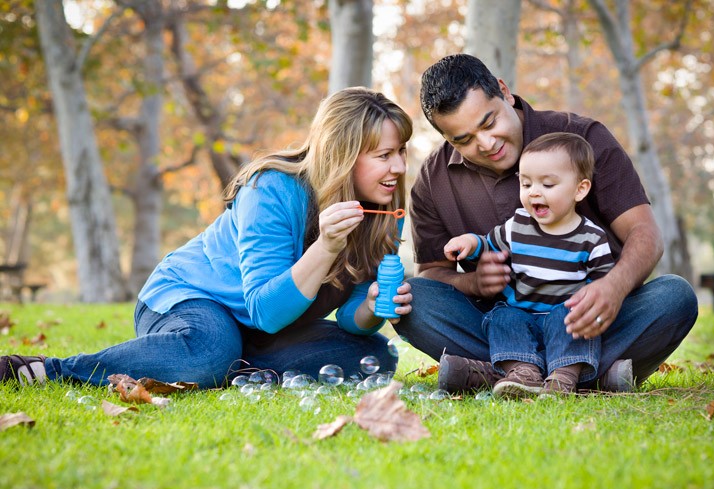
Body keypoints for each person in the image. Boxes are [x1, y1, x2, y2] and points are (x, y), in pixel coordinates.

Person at [1, 87, 414, 388]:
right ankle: (50, 370)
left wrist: (373, 308)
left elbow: (352, 316)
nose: (397, 167)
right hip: (189, 299)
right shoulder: (272, 189)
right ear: (342, 154)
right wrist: (325, 247)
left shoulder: (383, 213)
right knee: (210, 350)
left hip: (258, 332)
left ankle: (227, 367)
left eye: (402, 152)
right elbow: (266, 310)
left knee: (373, 353)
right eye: (383, 155)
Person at [395, 53, 698, 394]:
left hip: (588, 319)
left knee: (674, 297)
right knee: (410, 299)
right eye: (463, 140)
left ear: (504, 92)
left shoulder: (583, 138)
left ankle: (499, 375)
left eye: (489, 122)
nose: (486, 144)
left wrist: (612, 288)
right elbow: (432, 273)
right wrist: (475, 284)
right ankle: (583, 377)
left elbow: (645, 234)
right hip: (505, 324)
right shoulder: (434, 179)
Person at [443, 133, 614, 397]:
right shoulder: (517, 226)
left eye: (547, 184)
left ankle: (563, 376)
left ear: (580, 189)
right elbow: (489, 245)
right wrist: (470, 243)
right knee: (502, 316)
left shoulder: (592, 238)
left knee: (573, 318)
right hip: (522, 316)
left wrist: (593, 308)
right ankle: (523, 372)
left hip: (564, 319)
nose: (534, 192)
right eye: (525, 184)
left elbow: (603, 286)